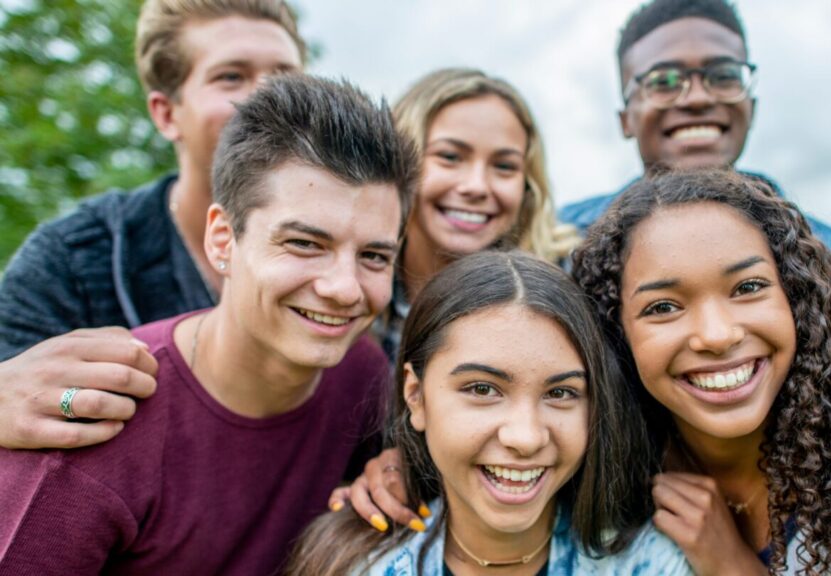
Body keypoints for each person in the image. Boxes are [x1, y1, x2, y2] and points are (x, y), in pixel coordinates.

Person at [557, 0, 831, 513]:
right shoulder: (565, 244)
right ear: (625, 115)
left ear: (751, 100)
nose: (695, 96)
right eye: (662, 81)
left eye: (722, 74)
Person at [0, 74, 417, 574]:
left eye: (374, 256)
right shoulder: (95, 424)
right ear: (222, 239)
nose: (345, 288)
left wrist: (392, 472)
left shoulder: (361, 374)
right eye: (305, 244)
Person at [572, 168, 831, 574]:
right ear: (615, 333)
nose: (717, 336)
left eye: (748, 287)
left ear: (797, 300)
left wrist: (732, 564)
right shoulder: (595, 474)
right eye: (663, 307)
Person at [0, 0, 306, 449]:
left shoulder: (361, 253)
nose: (268, 99)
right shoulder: (76, 259)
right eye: (231, 77)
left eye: (285, 76)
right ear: (165, 113)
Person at [287, 251, 693, 576]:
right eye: (482, 389)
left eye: (561, 392)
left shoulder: (653, 564)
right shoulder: (348, 564)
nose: (526, 437)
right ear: (416, 396)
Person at [375, 68, 579, 361]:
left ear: (528, 184)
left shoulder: (574, 285)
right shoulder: (354, 287)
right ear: (399, 162)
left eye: (504, 166)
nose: (477, 186)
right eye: (449, 157)